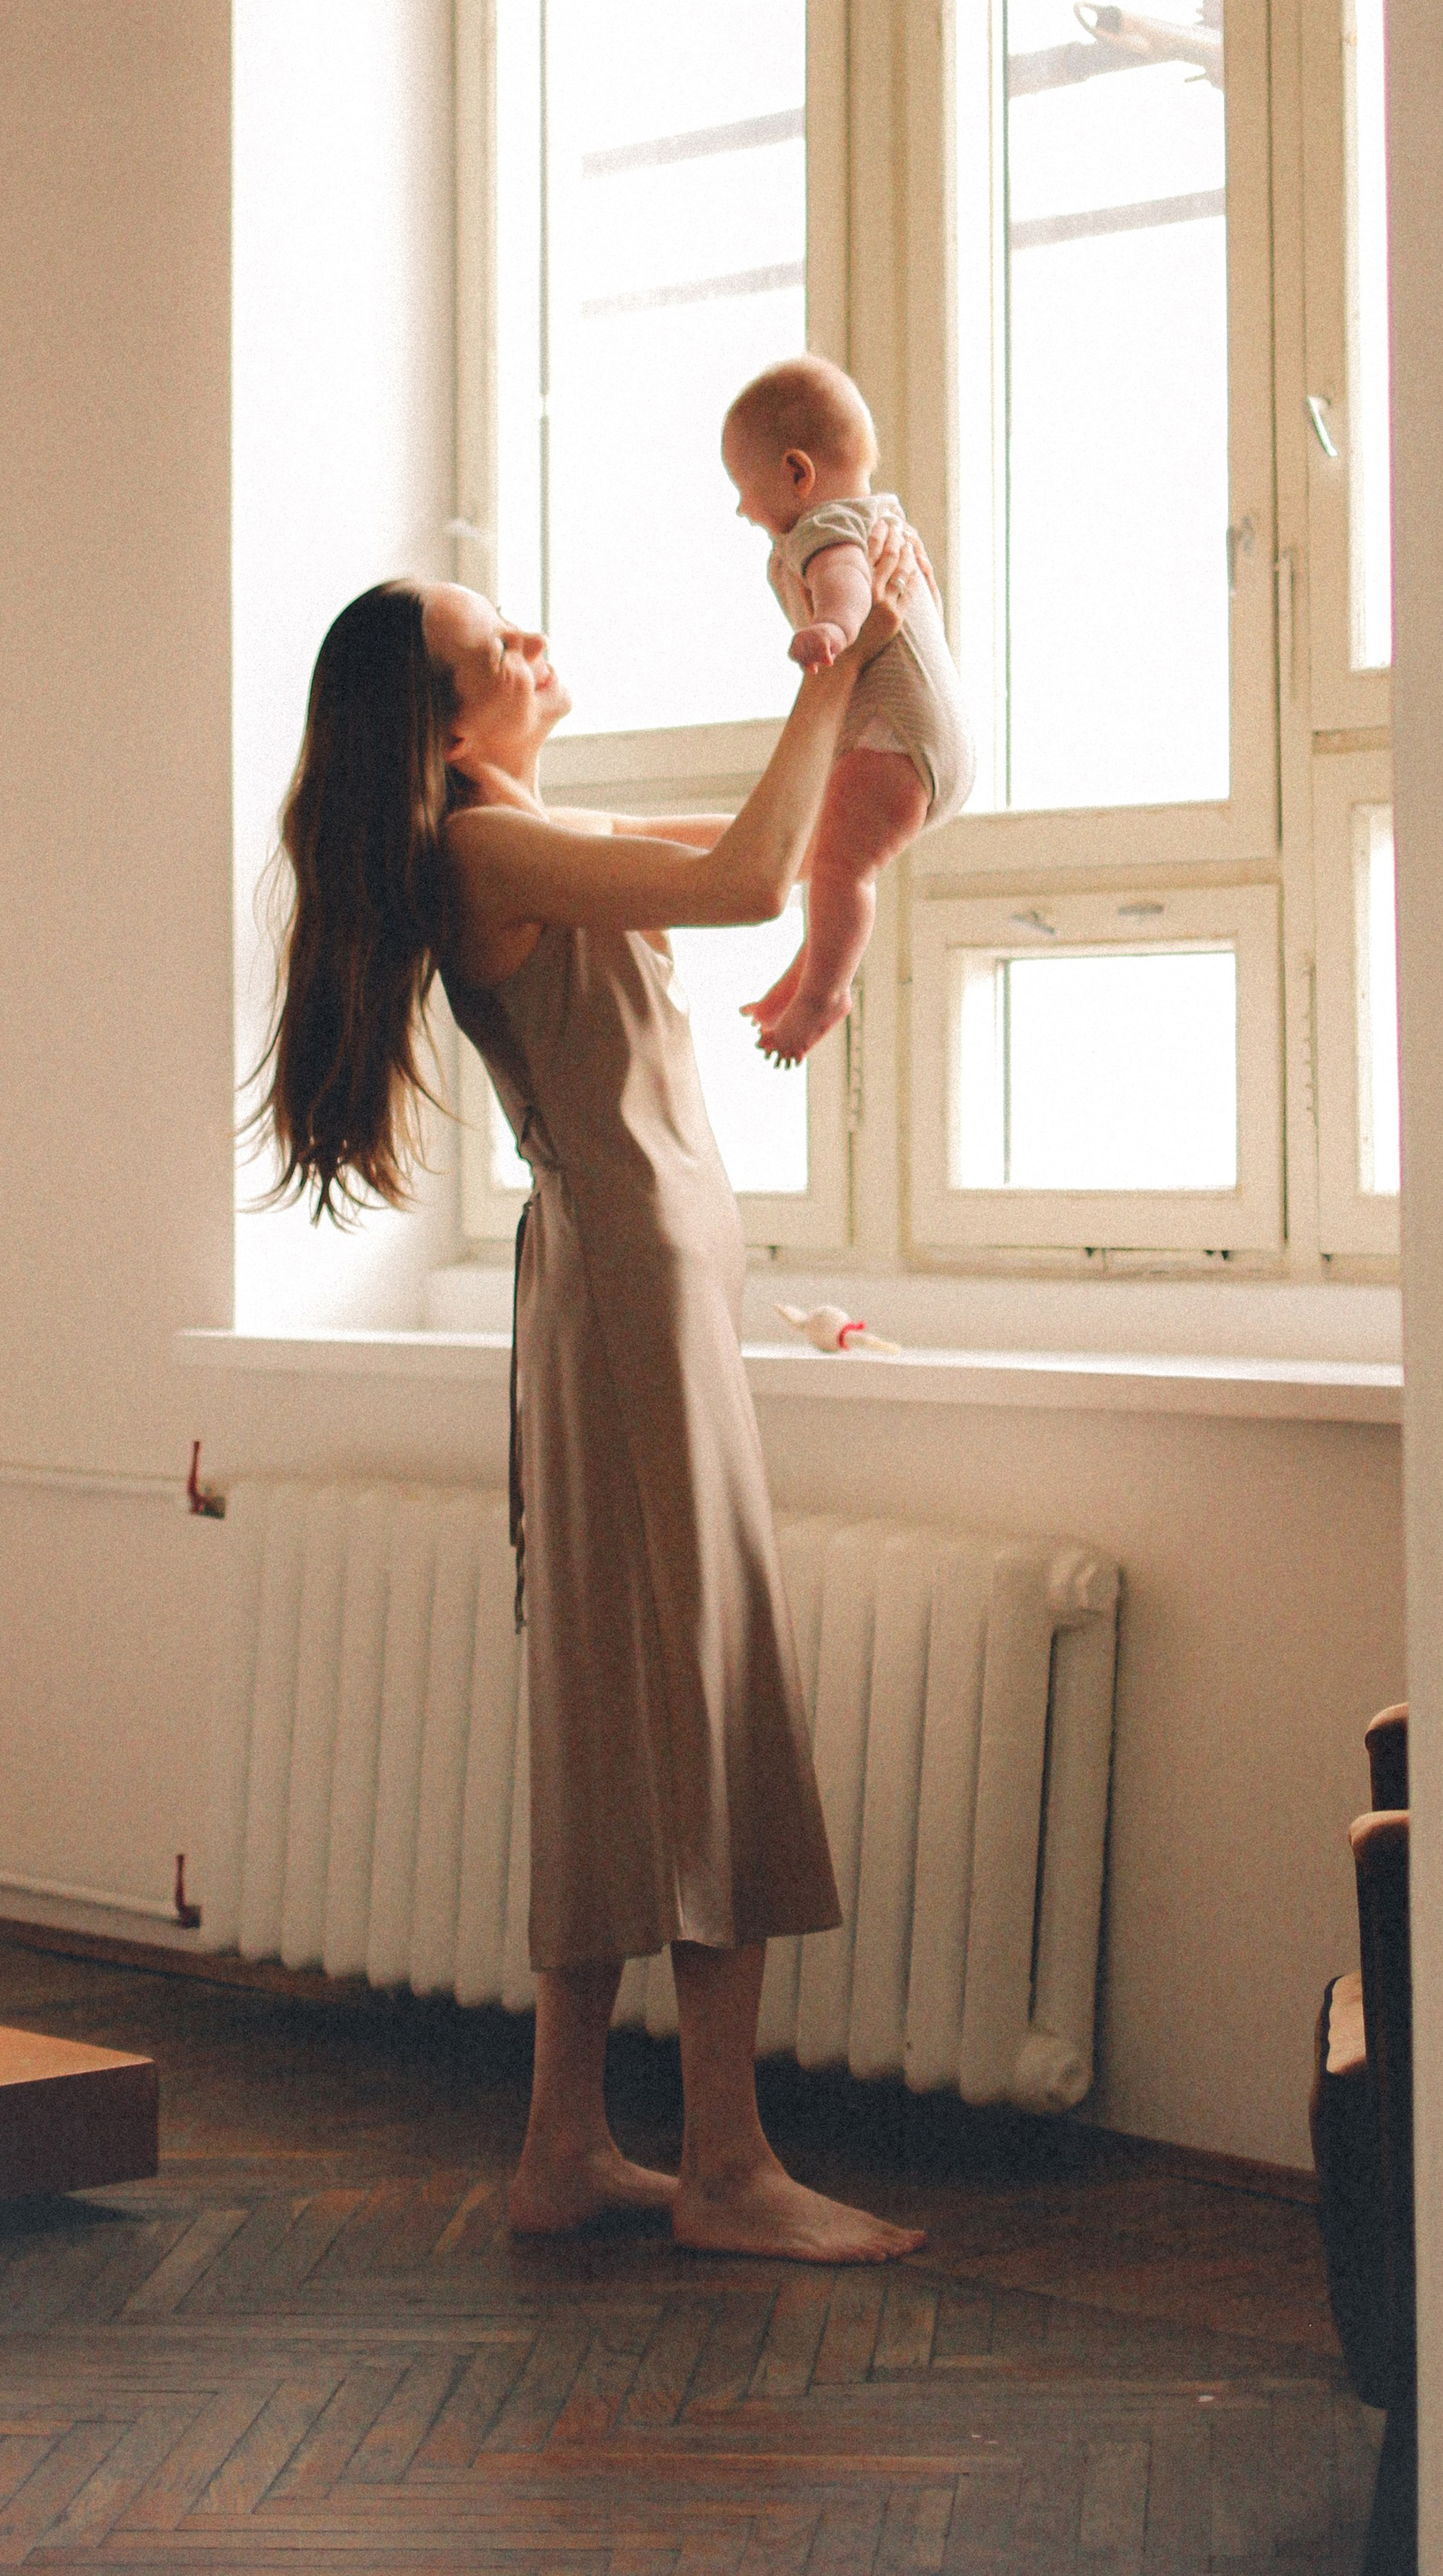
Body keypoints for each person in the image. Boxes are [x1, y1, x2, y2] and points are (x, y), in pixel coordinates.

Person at [256, 528, 928, 2265]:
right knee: (695, 1703)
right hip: (627, 1295)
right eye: (492, 641)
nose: (533, 637)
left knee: (621, 1706)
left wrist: (855, 666)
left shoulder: (510, 838)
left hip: (629, 1286)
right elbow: (743, 882)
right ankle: (723, 2166)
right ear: (445, 729)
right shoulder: (484, 845)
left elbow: (758, 845)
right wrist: (836, 661)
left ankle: (566, 2144)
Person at [722, 356, 974, 1066]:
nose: (742, 509)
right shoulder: (882, 518)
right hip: (928, 742)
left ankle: (825, 993)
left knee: (839, 871)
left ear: (797, 474)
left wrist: (831, 628)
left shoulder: (823, 528)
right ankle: (815, 966)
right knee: (835, 858)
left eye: (744, 489)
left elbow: (847, 586)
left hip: (897, 745)